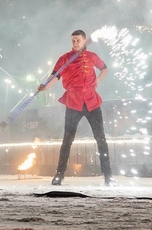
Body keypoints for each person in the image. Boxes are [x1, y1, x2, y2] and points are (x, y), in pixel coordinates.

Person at [38, 29, 115, 186]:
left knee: (101, 139)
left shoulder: (92, 56)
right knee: (67, 139)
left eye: (78, 40)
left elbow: (105, 68)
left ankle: (108, 176)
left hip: (92, 102)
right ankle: (59, 175)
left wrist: (98, 80)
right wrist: (45, 87)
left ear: (84, 41)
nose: (75, 43)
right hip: (73, 102)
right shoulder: (64, 58)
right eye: (73, 40)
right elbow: (55, 76)